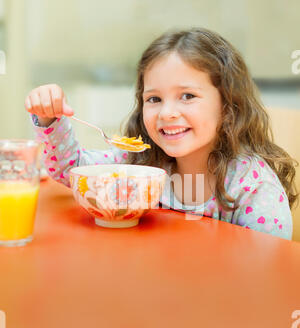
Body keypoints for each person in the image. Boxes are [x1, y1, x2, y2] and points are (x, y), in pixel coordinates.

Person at [25, 27, 299, 240]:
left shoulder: (253, 187)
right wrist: (49, 118)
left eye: (187, 96)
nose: (167, 113)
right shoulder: (142, 164)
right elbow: (70, 169)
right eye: (154, 99)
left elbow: (269, 269)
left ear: (228, 106)